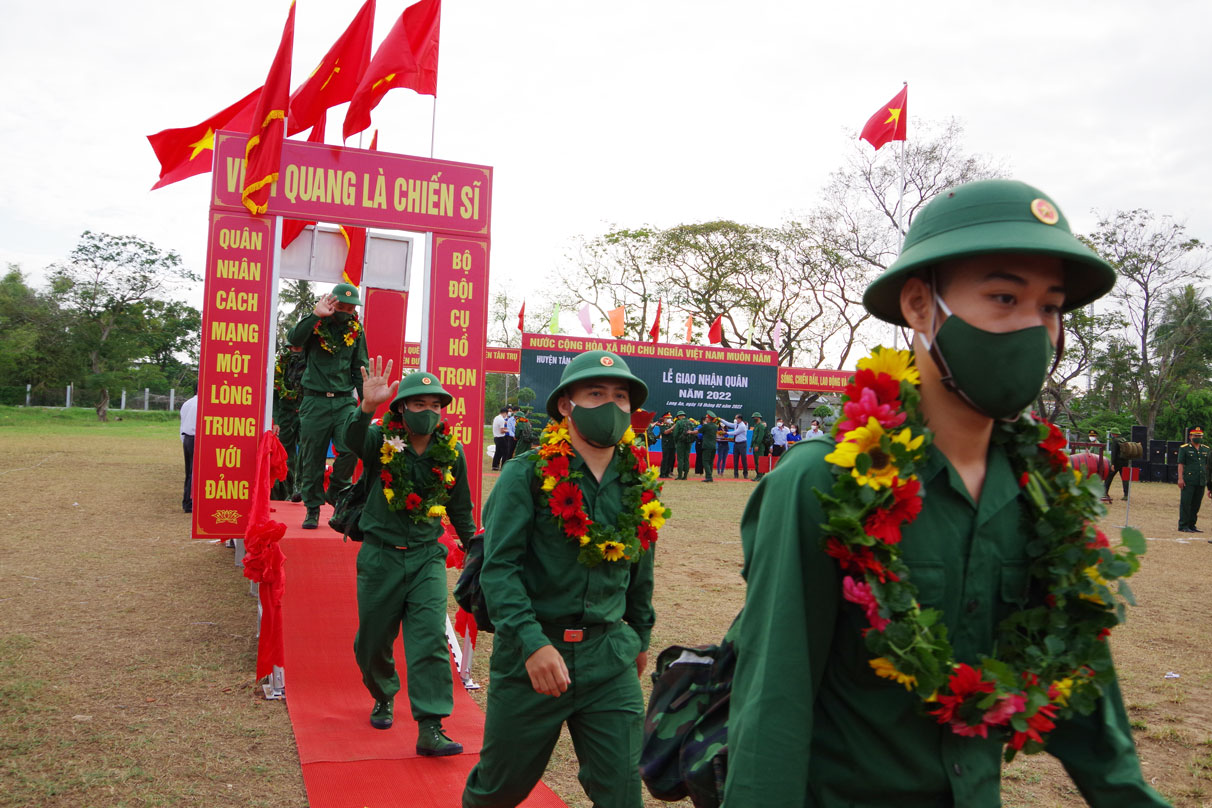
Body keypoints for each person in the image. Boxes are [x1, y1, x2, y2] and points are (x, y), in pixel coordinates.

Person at [726, 179, 1166, 806]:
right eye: (1004, 296)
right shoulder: (823, 482)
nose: (1033, 328)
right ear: (919, 305)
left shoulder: (1049, 499)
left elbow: (1087, 700)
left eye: (1050, 307)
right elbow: (774, 704)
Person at [463, 349, 658, 808]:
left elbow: (641, 566)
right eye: (595, 393)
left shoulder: (638, 480)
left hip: (609, 655)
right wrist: (532, 644)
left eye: (620, 396)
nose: (611, 406)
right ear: (566, 405)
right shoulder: (525, 474)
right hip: (533, 655)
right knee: (499, 789)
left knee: (623, 793)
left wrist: (641, 633)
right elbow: (500, 569)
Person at [341, 359, 476, 756]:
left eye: (436, 405)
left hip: (426, 558)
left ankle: (431, 726)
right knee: (372, 640)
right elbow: (351, 440)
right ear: (401, 407)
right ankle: (383, 694)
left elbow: (462, 508)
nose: (429, 412)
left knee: (429, 640)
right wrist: (366, 408)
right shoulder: (381, 438)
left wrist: (475, 550)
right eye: (419, 404)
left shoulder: (453, 452)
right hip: (380, 556)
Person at [288, 283, 369, 529]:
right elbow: (294, 339)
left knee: (351, 447)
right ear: (332, 304)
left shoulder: (356, 329)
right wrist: (315, 315)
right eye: (341, 307)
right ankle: (312, 508)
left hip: (345, 400)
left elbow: (359, 365)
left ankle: (335, 490)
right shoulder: (315, 325)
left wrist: (366, 403)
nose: (346, 311)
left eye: (350, 307)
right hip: (315, 400)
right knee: (312, 456)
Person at [271, 343, 306, 502]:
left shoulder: (312, 364)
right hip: (286, 415)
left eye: (297, 347)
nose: (293, 350)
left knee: (306, 452)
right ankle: (286, 490)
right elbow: (275, 395)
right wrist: (276, 420)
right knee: (285, 456)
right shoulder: (281, 367)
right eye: (291, 347)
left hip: (306, 413)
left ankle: (301, 488)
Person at [1177, 427, 1210, 533]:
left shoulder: (1206, 449)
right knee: (1186, 503)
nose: (1198, 438)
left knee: (1196, 504)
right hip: (1189, 480)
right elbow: (1181, 464)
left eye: (1200, 436)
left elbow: (1207, 466)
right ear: (1190, 436)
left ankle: (1192, 525)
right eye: (1195, 435)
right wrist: (1180, 478)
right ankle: (1183, 525)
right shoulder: (1184, 448)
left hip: (1201, 480)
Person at [179, 393, 198, 513]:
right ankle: (189, 502)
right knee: (194, 472)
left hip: (187, 438)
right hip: (196, 438)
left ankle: (187, 500)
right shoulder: (203, 403)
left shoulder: (188, 403)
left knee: (189, 472)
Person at [1102, 432, 1131, 502]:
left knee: (1109, 477)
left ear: (1114, 434)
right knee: (1125, 478)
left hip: (1117, 463)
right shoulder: (1124, 440)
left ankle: (1103, 492)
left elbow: (1113, 454)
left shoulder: (1115, 441)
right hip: (1125, 462)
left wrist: (1112, 464)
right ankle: (1126, 495)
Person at [697, 411, 719, 483]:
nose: (705, 418)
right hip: (713, 446)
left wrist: (690, 432)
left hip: (707, 446)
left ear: (709, 418)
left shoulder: (706, 426)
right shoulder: (715, 426)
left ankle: (709, 477)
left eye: (706, 417)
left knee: (705, 461)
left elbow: (698, 432)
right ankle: (709, 476)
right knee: (711, 462)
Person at [672, 410, 693, 480]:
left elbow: (675, 434)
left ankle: (680, 475)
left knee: (680, 459)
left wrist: (676, 441)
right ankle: (685, 476)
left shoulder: (679, 422)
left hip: (680, 442)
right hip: (689, 442)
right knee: (686, 459)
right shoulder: (690, 422)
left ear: (679, 416)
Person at [728, 414, 750, 479]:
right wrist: (721, 420)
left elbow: (735, 432)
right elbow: (729, 424)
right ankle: (736, 475)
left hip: (742, 444)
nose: (735, 420)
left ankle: (745, 474)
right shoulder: (736, 424)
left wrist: (726, 433)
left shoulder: (742, 426)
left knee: (743, 459)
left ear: (740, 419)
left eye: (736, 418)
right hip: (736, 444)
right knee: (735, 460)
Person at [750, 412, 770, 481]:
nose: (754, 419)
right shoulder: (756, 426)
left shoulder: (761, 426)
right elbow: (754, 437)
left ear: (758, 418)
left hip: (760, 446)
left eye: (755, 417)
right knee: (756, 461)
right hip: (755, 445)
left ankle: (760, 476)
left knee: (759, 461)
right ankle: (758, 475)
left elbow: (760, 437)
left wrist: (757, 445)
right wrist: (751, 446)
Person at [658, 413, 677, 479]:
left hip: (672, 444)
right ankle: (662, 474)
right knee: (665, 459)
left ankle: (667, 473)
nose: (669, 420)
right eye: (668, 418)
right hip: (666, 445)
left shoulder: (672, 426)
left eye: (670, 418)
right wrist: (672, 428)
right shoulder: (663, 426)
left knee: (671, 459)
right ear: (664, 419)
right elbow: (665, 432)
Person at [491, 407, 509, 471]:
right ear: (505, 413)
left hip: (496, 437)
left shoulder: (496, 417)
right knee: (505, 452)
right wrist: (508, 431)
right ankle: (503, 466)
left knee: (498, 452)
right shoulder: (501, 419)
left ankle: (495, 466)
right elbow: (502, 431)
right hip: (501, 438)